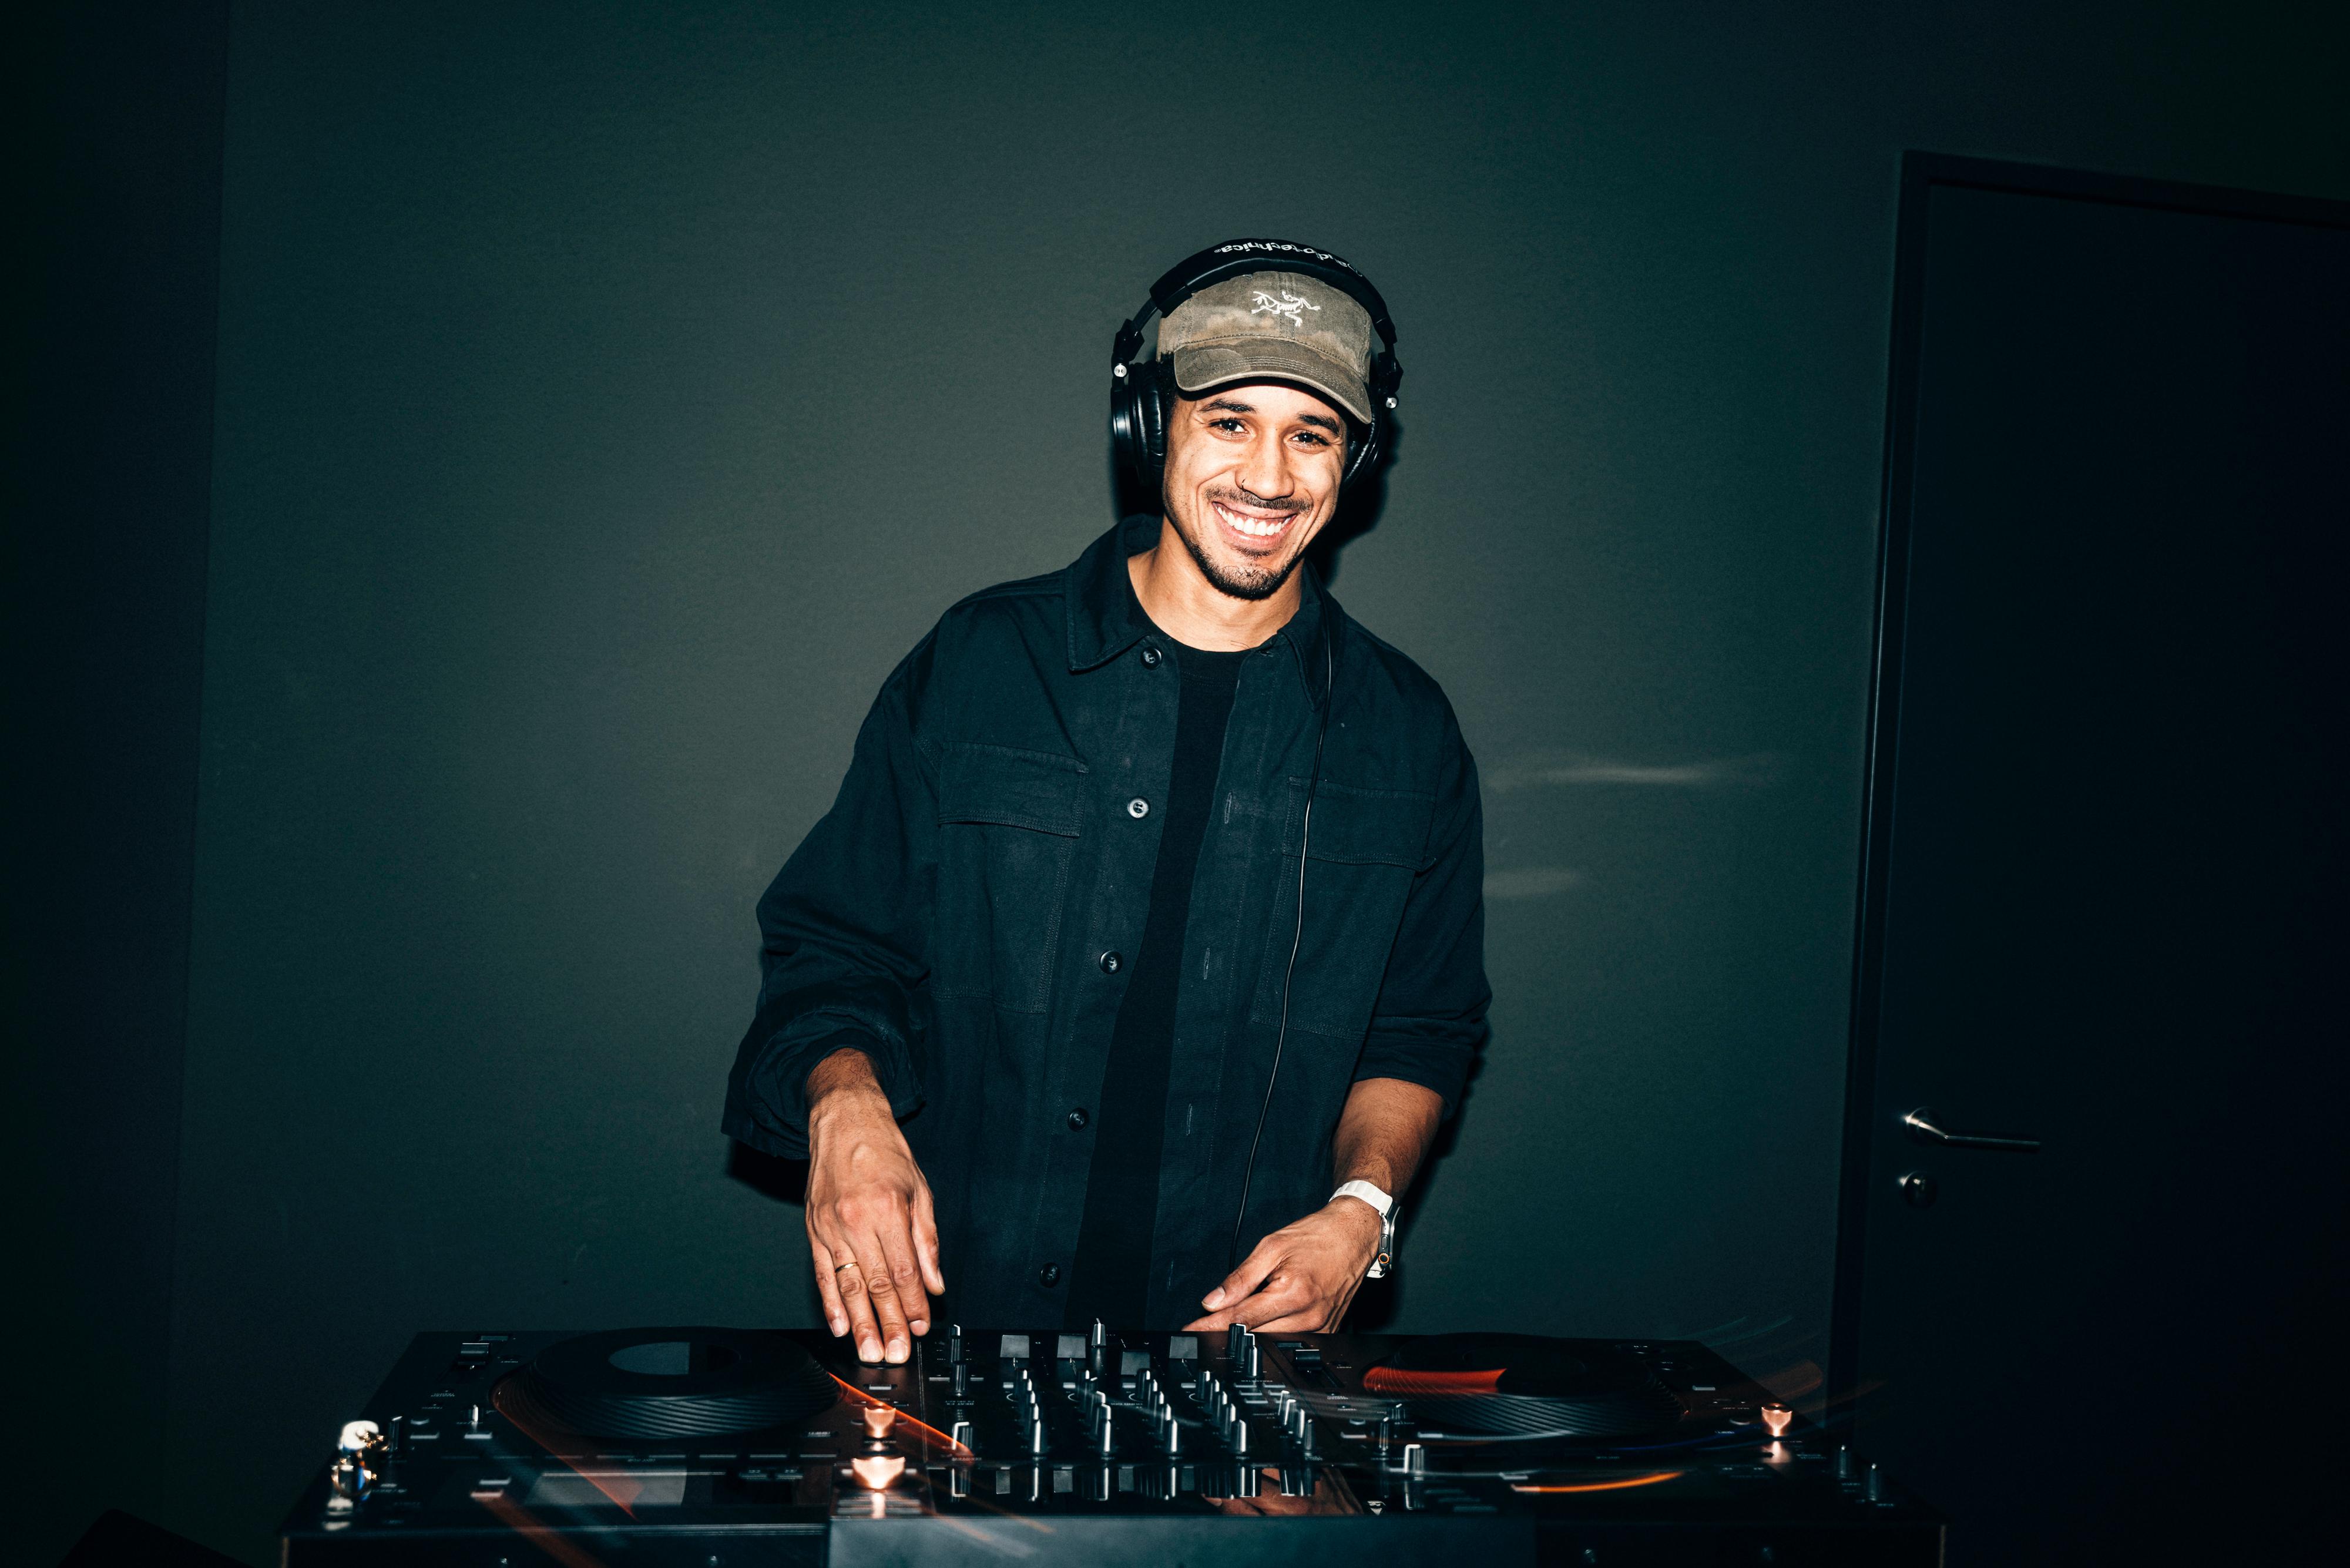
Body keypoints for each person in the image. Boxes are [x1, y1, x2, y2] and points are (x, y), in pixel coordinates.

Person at [722, 239, 1489, 1364]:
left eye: (1312, 434)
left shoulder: (1409, 733)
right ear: (1150, 425)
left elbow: (1421, 1026)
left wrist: (1362, 1212)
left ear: (1353, 460)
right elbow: (837, 946)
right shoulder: (982, 662)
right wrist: (845, 1106)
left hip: (1238, 1360)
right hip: (950, 1332)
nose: (1270, 476)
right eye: (1230, 420)